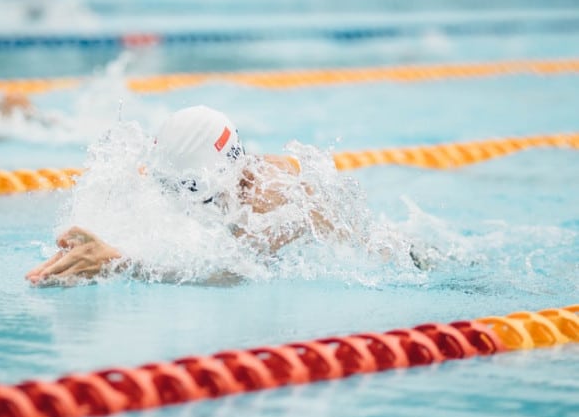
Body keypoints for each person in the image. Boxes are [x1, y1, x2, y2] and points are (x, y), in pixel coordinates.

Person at [26, 105, 433, 286]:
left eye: (190, 191)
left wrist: (120, 262)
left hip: (402, 261)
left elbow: (227, 273)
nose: (180, 198)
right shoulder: (204, 172)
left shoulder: (272, 197)